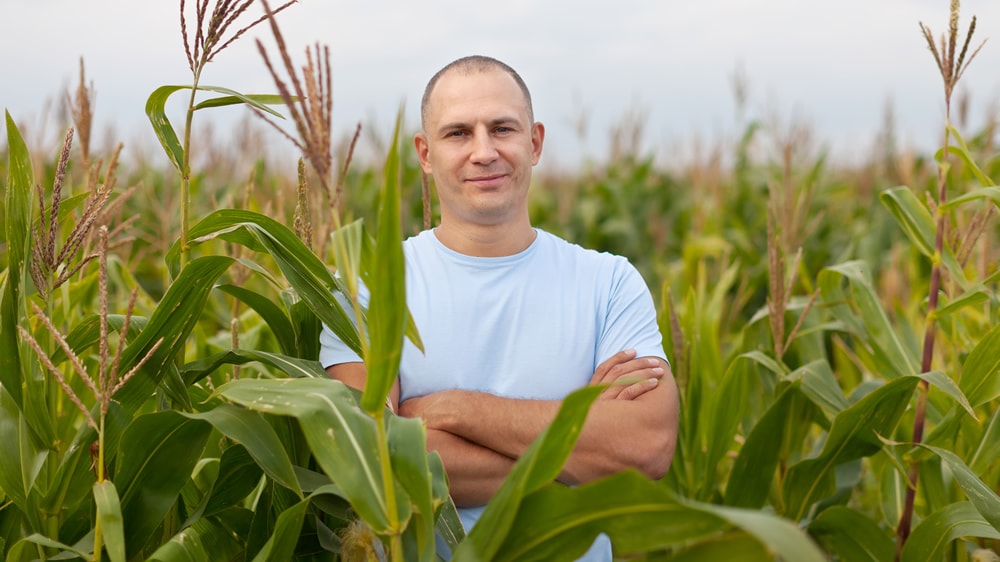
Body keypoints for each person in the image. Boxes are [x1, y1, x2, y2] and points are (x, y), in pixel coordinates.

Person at [319, 55, 679, 561]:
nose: (484, 152)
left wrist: (452, 411)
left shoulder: (609, 282)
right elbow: (373, 461)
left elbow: (645, 447)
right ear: (425, 153)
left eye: (502, 128)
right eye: (458, 133)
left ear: (534, 142)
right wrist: (576, 448)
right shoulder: (370, 284)